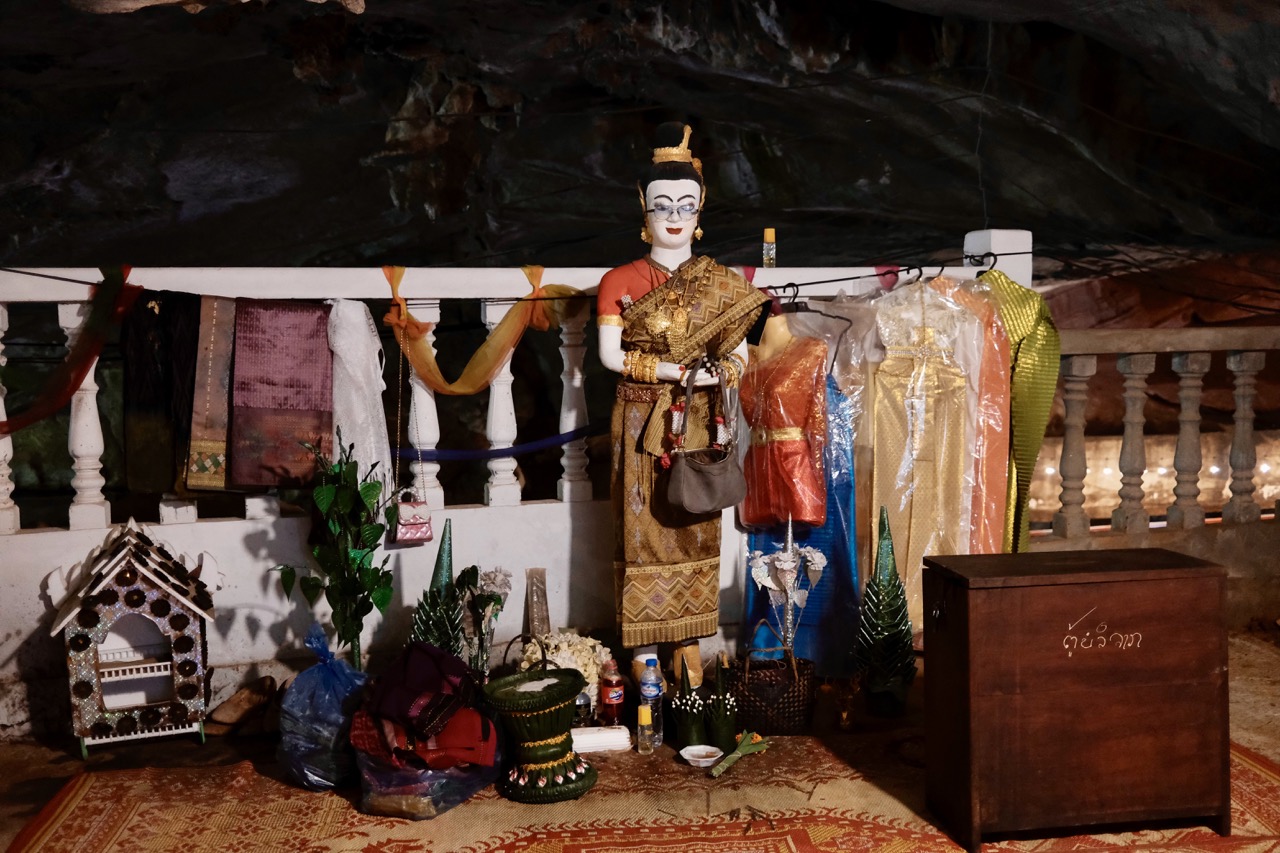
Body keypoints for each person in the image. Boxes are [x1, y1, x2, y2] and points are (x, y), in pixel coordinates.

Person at [597, 122, 768, 688]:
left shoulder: (720, 283)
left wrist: (724, 371)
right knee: (641, 523)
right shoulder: (618, 280)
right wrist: (669, 371)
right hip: (640, 414)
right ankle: (645, 646)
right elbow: (610, 356)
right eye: (663, 205)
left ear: (701, 211)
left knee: (696, 518)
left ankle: (689, 638)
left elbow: (738, 351)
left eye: (686, 206)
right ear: (643, 208)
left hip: (698, 419)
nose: (674, 217)